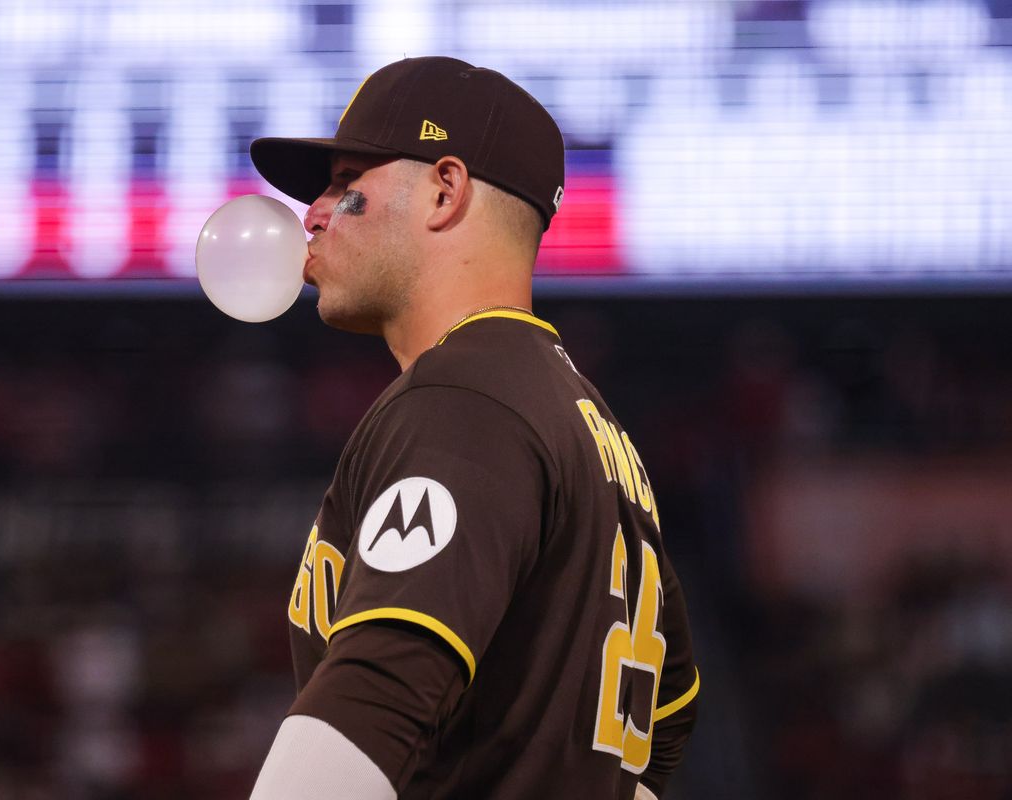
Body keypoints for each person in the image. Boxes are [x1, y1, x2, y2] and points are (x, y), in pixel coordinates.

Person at [247, 56, 699, 800]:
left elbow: (378, 694)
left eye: (345, 182)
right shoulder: (593, 429)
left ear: (444, 191)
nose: (313, 213)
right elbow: (665, 721)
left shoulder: (463, 401)